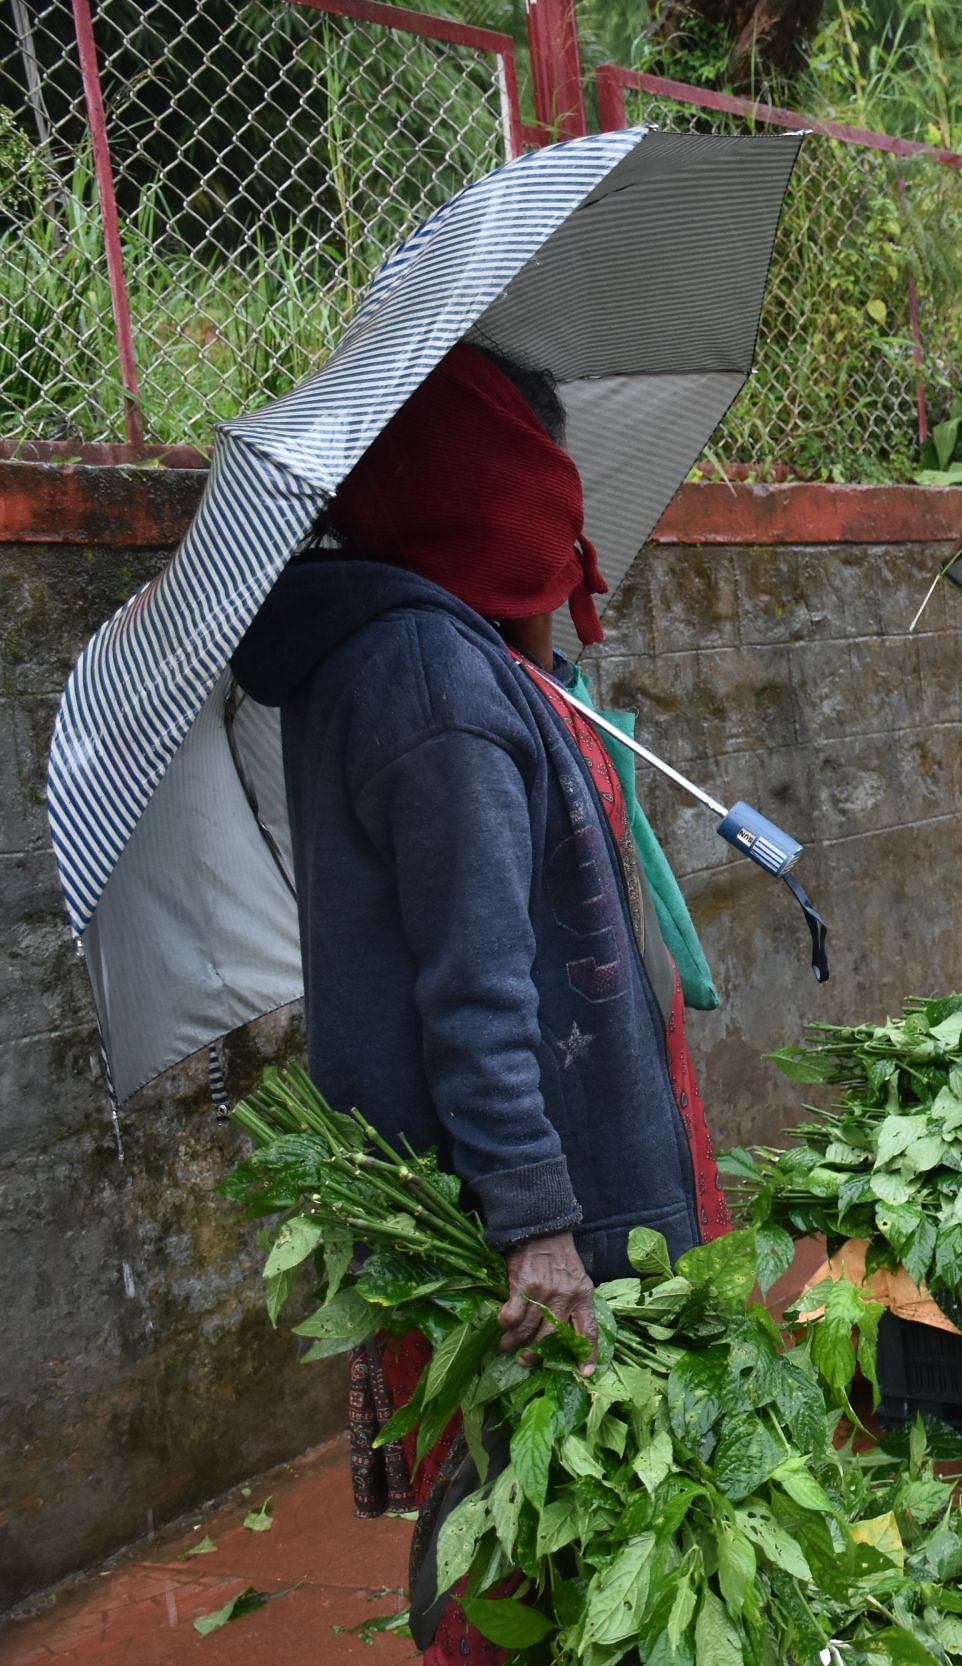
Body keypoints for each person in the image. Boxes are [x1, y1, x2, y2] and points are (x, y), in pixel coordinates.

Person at [231, 342, 731, 1664]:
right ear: (484, 482)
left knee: (548, 1521)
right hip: (513, 1221)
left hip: (506, 1189)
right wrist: (537, 1227)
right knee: (528, 1529)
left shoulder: (427, 653)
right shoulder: (435, 686)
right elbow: (473, 989)